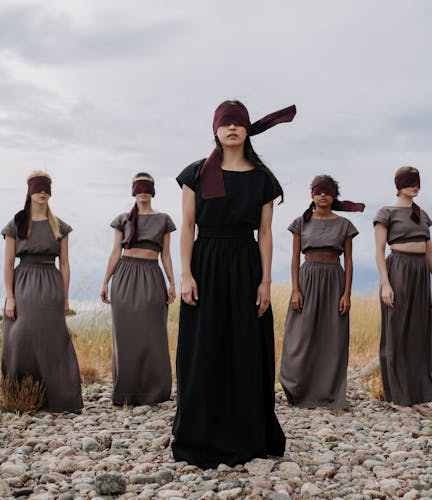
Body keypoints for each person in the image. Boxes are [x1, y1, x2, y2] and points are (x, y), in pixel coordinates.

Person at [172, 100, 294, 468]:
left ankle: (245, 432)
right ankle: (200, 431)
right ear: (216, 129)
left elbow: (266, 234)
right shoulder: (195, 173)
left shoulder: (261, 178)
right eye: (226, 123)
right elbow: (188, 226)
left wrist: (266, 281)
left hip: (245, 266)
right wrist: (186, 274)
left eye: (239, 123)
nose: (232, 129)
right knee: (203, 348)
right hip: (205, 265)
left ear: (247, 129)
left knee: (244, 347)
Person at [1, 170, 83, 413]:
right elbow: (7, 263)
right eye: (38, 188)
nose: (42, 192)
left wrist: (65, 296)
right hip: (23, 282)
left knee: (53, 341)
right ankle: (21, 397)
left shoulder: (60, 227)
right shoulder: (16, 225)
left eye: (46, 188)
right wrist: (10, 297)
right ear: (29, 191)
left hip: (51, 285)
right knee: (19, 339)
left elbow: (65, 264)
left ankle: (60, 399)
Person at [280, 175, 364, 409]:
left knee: (332, 337)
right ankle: (298, 390)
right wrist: (295, 289)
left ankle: (330, 394)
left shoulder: (344, 225)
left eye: (327, 191)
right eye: (319, 191)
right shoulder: (301, 222)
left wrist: (347, 293)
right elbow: (295, 257)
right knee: (301, 336)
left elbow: (349, 261)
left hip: (334, 280)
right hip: (307, 280)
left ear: (333, 195)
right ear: (312, 195)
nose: (323, 195)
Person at [373, 166, 432, 412]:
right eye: (408, 182)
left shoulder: (422, 214)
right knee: (397, 333)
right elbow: (379, 251)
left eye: (416, 182)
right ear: (398, 184)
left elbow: (429, 250)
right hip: (398, 271)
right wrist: (386, 283)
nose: (414, 186)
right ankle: (397, 397)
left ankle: (415, 396)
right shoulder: (386, 212)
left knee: (418, 332)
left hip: (420, 273)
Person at [100, 172, 177, 405]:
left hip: (152, 274)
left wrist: (172, 282)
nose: (143, 191)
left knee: (153, 334)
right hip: (124, 275)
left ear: (153, 190)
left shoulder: (164, 219)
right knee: (125, 336)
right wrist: (105, 282)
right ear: (133, 190)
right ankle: (127, 392)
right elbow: (116, 252)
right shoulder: (123, 219)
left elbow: (166, 254)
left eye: (147, 186)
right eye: (138, 186)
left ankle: (154, 391)